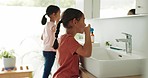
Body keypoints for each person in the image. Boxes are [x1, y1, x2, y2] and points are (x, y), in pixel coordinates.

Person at [52, 8, 92, 78]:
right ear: (75, 22)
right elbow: (87, 53)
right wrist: (87, 33)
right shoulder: (69, 40)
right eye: (83, 20)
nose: (85, 24)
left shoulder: (64, 38)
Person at [41, 5, 60, 78]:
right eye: (59, 13)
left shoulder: (47, 25)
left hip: (45, 50)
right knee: (47, 71)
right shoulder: (52, 25)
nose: (60, 16)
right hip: (50, 51)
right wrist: (58, 22)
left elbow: (42, 37)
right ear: (54, 14)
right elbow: (57, 31)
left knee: (47, 70)